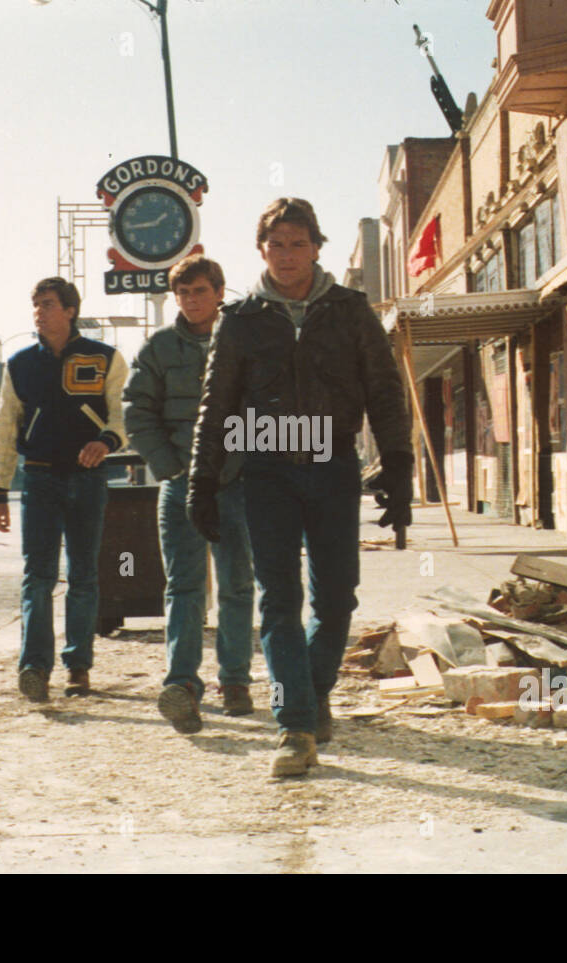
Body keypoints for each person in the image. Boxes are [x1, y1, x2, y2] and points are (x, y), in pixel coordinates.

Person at [188, 198, 413, 777]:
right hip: (265, 471)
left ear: (317, 247)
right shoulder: (239, 320)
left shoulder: (351, 312)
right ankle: (295, 727)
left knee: (337, 596)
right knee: (279, 600)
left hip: (332, 464)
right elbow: (215, 405)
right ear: (261, 251)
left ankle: (311, 695)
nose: (287, 256)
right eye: (276, 245)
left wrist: (398, 463)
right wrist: (202, 479)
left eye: (298, 243)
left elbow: (385, 391)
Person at [123, 255, 255, 734]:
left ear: (219, 292)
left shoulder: (246, 341)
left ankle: (236, 681)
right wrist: (173, 468)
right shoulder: (158, 349)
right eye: (183, 293)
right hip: (180, 485)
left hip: (236, 485)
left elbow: (266, 405)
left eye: (200, 291)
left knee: (238, 584)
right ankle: (181, 683)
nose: (191, 300)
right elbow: (136, 412)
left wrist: (245, 465)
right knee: (183, 587)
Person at [0, 277, 128, 703]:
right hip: (40, 479)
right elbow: (4, 428)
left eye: (47, 304)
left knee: (83, 574)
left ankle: (79, 667)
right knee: (38, 577)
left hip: (87, 481)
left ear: (70, 310)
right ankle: (34, 668)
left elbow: (123, 418)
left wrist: (104, 442)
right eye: (35, 305)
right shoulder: (20, 364)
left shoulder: (106, 358)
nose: (39, 312)